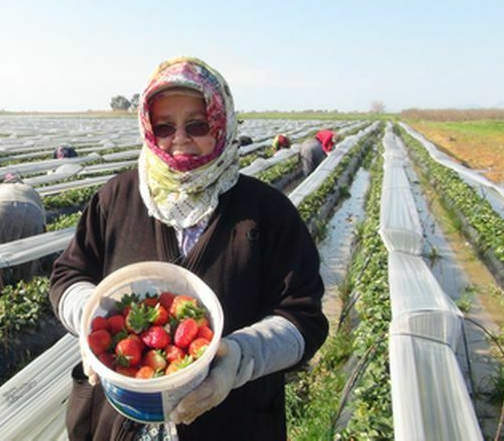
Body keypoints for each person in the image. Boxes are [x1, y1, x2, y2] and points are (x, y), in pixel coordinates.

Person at [50, 57, 327, 441]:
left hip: (232, 424)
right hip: (117, 423)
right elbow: (68, 275)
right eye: (164, 126)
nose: (179, 137)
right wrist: (88, 316)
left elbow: (303, 318)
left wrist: (241, 357)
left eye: (197, 124)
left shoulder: (268, 213)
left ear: (223, 122)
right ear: (147, 128)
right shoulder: (116, 198)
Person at [0, 173, 46, 301]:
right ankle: (25, 297)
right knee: (29, 260)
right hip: (30, 212)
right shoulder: (30, 191)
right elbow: (43, 227)